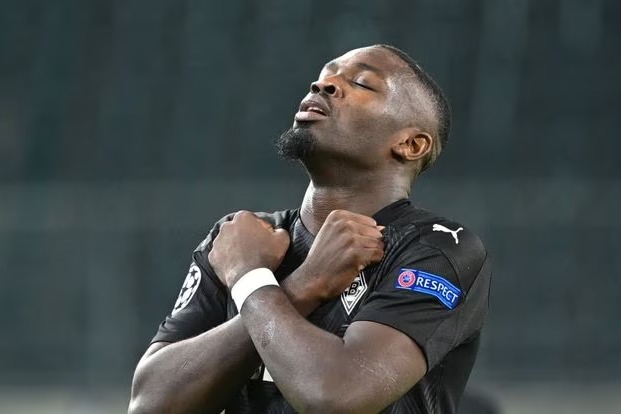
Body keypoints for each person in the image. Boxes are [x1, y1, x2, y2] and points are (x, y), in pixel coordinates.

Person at [128, 44, 492, 414]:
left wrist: (249, 279)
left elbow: (336, 397)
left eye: (362, 83)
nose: (324, 85)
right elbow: (150, 406)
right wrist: (298, 286)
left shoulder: (437, 249)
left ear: (410, 144)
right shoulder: (241, 239)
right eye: (323, 77)